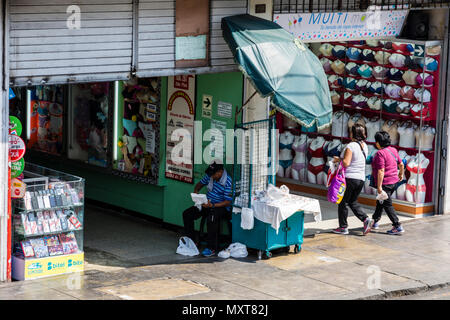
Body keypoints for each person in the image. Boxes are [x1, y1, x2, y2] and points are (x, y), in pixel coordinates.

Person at [182, 162, 233, 256]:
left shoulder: (228, 181)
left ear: (220, 172)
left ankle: (211, 248)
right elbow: (199, 184)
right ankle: (193, 242)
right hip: (207, 203)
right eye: (211, 174)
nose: (211, 176)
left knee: (212, 218)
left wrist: (212, 206)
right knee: (187, 214)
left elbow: (227, 202)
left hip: (221, 207)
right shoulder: (210, 175)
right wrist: (196, 192)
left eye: (213, 174)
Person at [332, 124, 374, 235]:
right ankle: (366, 219)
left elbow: (346, 162)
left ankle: (343, 227)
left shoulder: (351, 146)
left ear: (353, 133)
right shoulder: (364, 145)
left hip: (350, 178)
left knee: (343, 202)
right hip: (360, 179)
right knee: (352, 201)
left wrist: (338, 159)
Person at [371, 131, 405, 235]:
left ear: (377, 143)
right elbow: (401, 164)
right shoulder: (393, 150)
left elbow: (381, 171)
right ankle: (375, 221)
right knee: (381, 202)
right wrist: (401, 175)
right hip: (393, 182)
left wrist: (379, 187)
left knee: (387, 204)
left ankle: (397, 226)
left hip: (385, 183)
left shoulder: (380, 153)